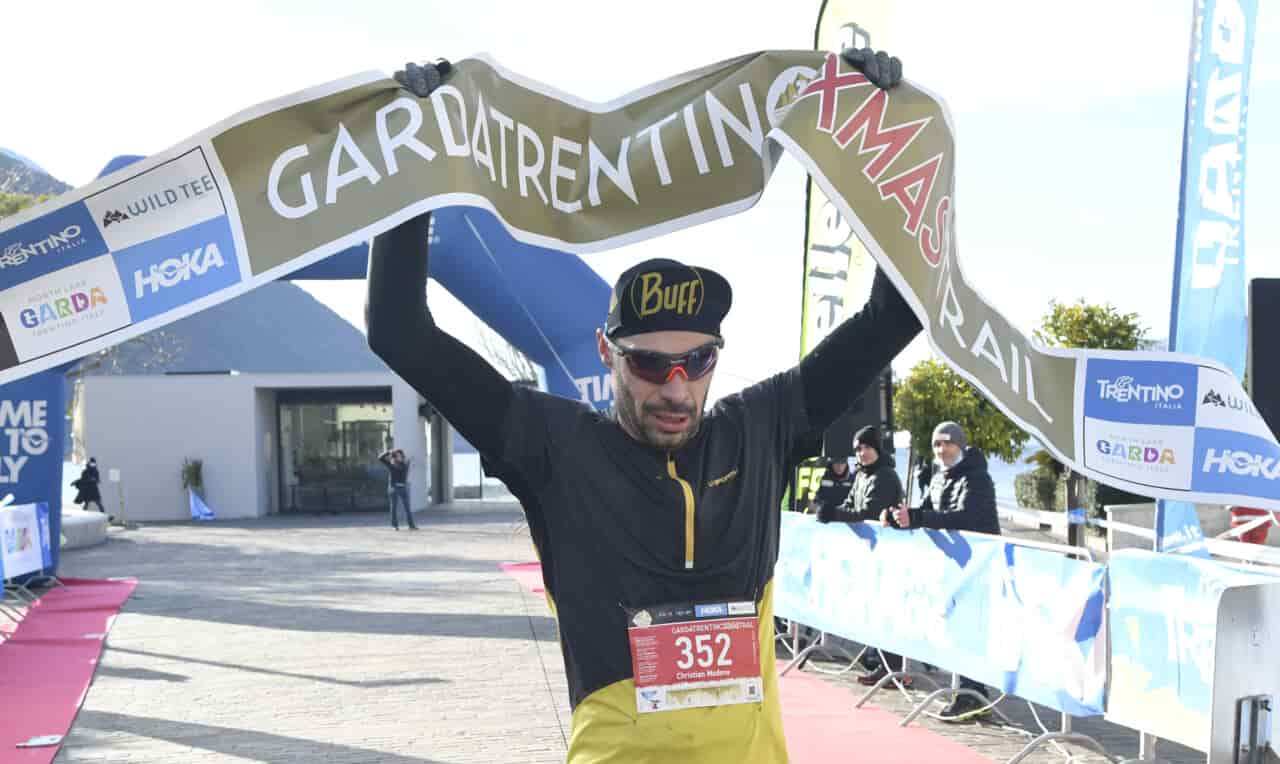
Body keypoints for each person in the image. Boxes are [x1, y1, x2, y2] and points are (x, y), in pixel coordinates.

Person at [370, 49, 914, 762]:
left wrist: (878, 140)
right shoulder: (555, 449)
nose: (676, 387)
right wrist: (413, 164)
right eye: (650, 363)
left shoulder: (761, 427)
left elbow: (894, 315)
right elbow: (400, 332)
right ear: (606, 353)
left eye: (697, 362)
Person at [891, 421, 999, 722]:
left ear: (961, 445)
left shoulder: (977, 478)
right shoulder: (938, 476)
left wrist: (918, 516)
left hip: (977, 567)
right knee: (956, 629)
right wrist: (898, 516)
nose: (942, 449)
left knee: (971, 631)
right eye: (937, 444)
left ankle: (972, 695)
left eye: (948, 443)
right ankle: (968, 694)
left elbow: (965, 517)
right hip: (950, 567)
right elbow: (925, 510)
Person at [815, 426, 907, 684]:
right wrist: (830, 511)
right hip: (867, 554)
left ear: (877, 448)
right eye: (858, 448)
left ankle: (893, 668)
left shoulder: (885, 476)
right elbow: (849, 505)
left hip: (888, 554)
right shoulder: (861, 475)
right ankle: (882, 663)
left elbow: (868, 513)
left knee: (889, 611)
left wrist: (834, 515)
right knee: (876, 610)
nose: (862, 453)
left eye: (866, 447)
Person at [378, 449, 417, 530]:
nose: (399, 457)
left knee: (407, 507)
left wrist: (408, 461)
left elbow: (406, 474)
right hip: (394, 488)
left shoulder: (405, 464)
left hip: (403, 487)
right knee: (394, 508)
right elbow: (380, 458)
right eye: (397, 455)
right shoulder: (391, 465)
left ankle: (411, 525)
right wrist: (388, 452)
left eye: (400, 455)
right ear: (395, 457)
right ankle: (394, 526)